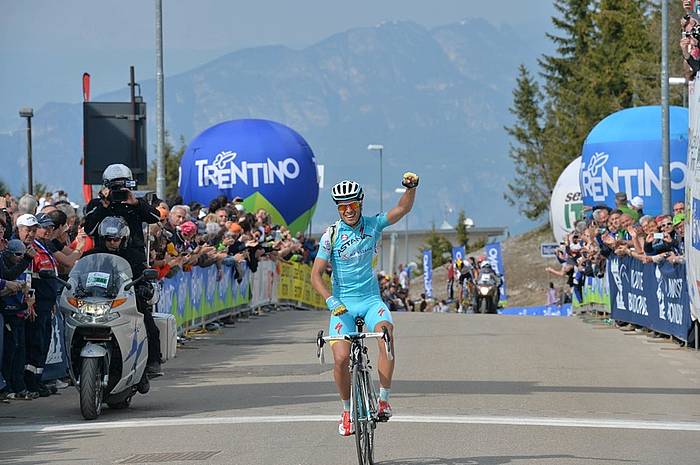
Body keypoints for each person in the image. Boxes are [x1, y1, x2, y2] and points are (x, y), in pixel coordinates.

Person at [310, 172, 419, 437]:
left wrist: (411, 187)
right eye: (342, 207)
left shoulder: (373, 225)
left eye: (353, 205)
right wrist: (331, 300)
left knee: (386, 335)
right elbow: (316, 275)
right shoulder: (331, 236)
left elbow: (402, 208)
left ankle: (383, 399)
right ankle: (347, 411)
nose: (348, 211)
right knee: (341, 359)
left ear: (360, 204)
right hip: (342, 306)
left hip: (371, 302)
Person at [82, 217, 163, 376]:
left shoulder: (135, 256)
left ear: (123, 239)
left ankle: (151, 363)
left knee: (150, 327)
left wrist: (144, 288)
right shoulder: (91, 256)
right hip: (98, 301)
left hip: (127, 300)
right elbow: (79, 275)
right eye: (109, 239)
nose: (112, 242)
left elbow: (145, 277)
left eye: (116, 239)